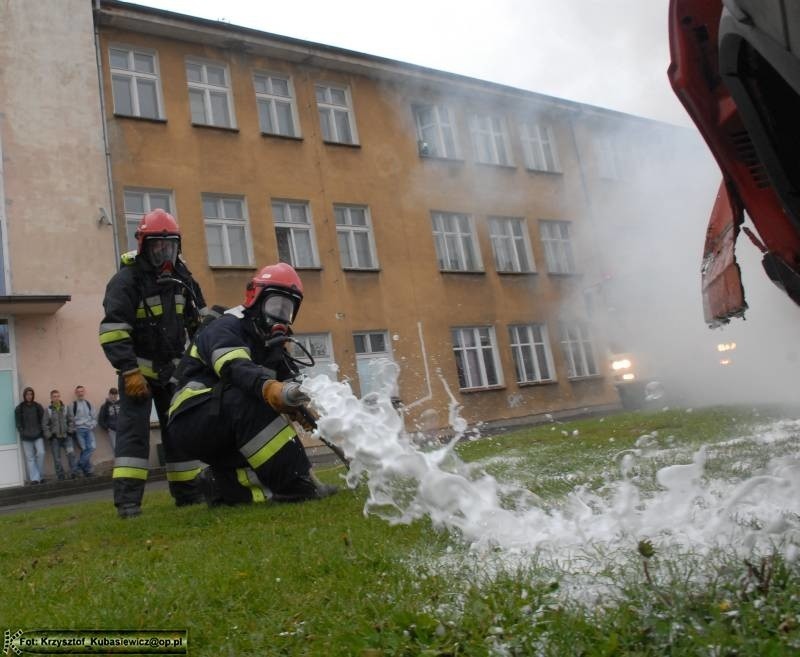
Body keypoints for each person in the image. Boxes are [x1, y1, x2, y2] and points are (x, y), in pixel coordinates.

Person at [167, 263, 338, 506]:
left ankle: (219, 485)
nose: (280, 315)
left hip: (223, 420)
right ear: (255, 298)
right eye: (275, 305)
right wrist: (271, 389)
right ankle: (297, 486)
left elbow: (292, 382)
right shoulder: (226, 326)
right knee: (252, 395)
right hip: (192, 418)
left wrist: (305, 409)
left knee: (263, 474)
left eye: (287, 309)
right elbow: (236, 368)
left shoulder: (270, 344)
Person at [98, 209, 209, 518]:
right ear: (144, 246)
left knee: (181, 431)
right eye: (157, 246)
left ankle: (189, 494)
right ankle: (129, 503)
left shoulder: (182, 278)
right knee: (133, 436)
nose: (164, 253)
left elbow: (198, 323)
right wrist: (129, 370)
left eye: (170, 246)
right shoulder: (125, 281)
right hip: (138, 374)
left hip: (174, 372)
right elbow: (113, 331)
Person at [43, 389, 79, 480]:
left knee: (71, 455)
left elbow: (71, 420)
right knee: (57, 459)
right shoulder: (48, 410)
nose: (56, 398)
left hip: (67, 437)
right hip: (55, 439)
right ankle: (61, 475)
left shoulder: (66, 408)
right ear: (51, 398)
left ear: (60, 397)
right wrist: (49, 436)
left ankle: (74, 473)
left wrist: (70, 431)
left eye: (58, 396)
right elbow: (44, 424)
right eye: (54, 396)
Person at [15, 387, 46, 484]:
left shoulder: (37, 406)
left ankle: (40, 476)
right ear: (24, 395)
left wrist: (41, 431)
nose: (29, 396)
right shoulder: (19, 408)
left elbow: (43, 420)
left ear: (33, 395)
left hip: (38, 435)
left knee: (41, 453)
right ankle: (35, 478)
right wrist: (22, 431)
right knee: (30, 458)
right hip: (26, 437)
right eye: (27, 394)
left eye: (31, 394)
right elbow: (18, 423)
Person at [71, 385, 96, 477]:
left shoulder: (89, 404)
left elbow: (94, 417)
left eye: (82, 391)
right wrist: (74, 429)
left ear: (84, 392)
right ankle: (88, 471)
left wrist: (92, 425)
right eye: (78, 392)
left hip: (89, 430)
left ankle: (77, 467)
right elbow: (71, 419)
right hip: (79, 430)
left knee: (92, 447)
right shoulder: (73, 405)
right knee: (84, 449)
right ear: (76, 393)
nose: (80, 393)